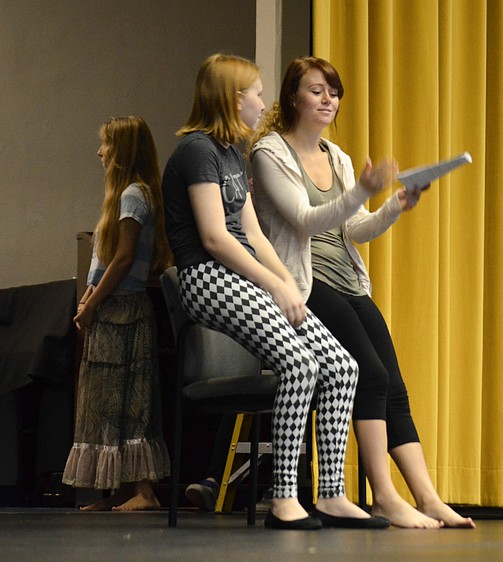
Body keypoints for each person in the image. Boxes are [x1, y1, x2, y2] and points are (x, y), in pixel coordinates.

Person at [161, 53, 389, 530]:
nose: (263, 104)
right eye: (257, 94)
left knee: (343, 367)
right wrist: (271, 283)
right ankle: (285, 498)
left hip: (244, 277)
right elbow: (215, 238)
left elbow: (254, 234)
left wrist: (287, 282)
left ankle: (331, 494)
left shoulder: (231, 153)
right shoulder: (197, 151)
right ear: (233, 99)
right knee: (301, 364)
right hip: (207, 277)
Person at [249, 56, 475, 529]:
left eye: (334, 93)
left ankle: (427, 496)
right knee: (369, 374)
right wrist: (361, 191)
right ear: (293, 97)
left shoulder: (338, 157)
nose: (328, 100)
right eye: (316, 91)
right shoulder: (270, 152)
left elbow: (355, 228)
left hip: (349, 280)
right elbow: (306, 221)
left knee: (393, 383)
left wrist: (394, 204)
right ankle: (384, 497)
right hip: (304, 283)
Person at [62, 116, 172, 511]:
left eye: (106, 144)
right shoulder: (125, 195)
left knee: (130, 401)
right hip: (110, 311)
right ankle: (123, 491)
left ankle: (144, 491)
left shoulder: (134, 195)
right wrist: (88, 300)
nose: (100, 152)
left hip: (124, 312)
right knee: (109, 403)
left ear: (122, 150)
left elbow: (123, 259)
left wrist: (91, 304)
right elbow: (104, 260)